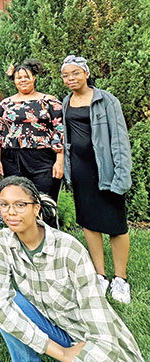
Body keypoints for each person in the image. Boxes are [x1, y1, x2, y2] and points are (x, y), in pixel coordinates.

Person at [0, 176, 149, 362]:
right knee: (9, 305)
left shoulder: (69, 250)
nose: (10, 212)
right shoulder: (5, 241)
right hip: (65, 335)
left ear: (36, 208)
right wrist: (59, 353)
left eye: (19, 205)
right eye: (4, 205)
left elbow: (106, 341)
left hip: (109, 351)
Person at [61, 55, 133, 303]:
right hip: (81, 171)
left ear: (86, 73)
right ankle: (100, 275)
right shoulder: (66, 101)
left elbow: (120, 139)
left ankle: (120, 279)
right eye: (66, 75)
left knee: (116, 224)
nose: (70, 79)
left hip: (106, 170)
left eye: (75, 73)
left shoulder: (106, 100)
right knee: (89, 222)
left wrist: (122, 176)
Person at [0, 59, 64, 216]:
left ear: (34, 78)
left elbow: (60, 131)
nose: (22, 80)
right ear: (14, 80)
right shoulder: (5, 104)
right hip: (12, 158)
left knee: (44, 202)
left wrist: (60, 161)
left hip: (42, 158)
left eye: (26, 76)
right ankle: (22, 237)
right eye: (19, 77)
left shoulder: (49, 101)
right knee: (18, 200)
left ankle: (47, 237)